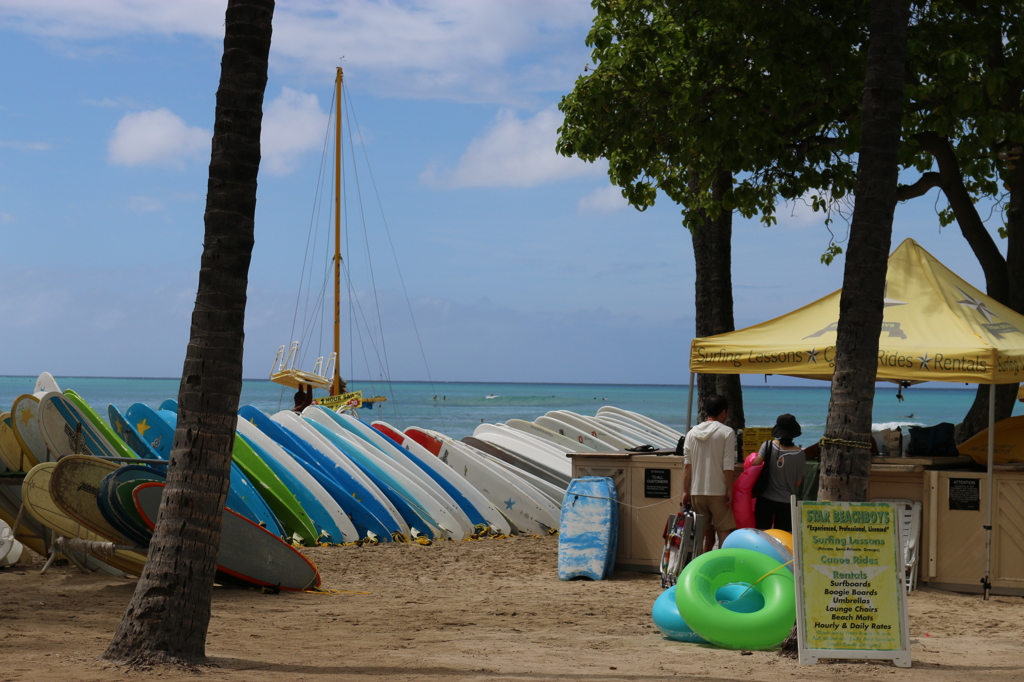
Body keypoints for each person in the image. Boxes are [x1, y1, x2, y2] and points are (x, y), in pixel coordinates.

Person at [682, 394, 737, 552]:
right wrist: (729, 489)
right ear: (723, 413)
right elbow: (728, 466)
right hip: (718, 490)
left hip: (697, 491)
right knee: (724, 530)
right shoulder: (727, 432)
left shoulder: (692, 433)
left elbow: (687, 465)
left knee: (703, 531)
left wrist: (686, 491)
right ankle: (722, 563)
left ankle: (701, 563)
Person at [751, 413, 806, 532]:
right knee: (782, 539)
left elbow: (755, 464)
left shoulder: (768, 445)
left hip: (765, 499)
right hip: (786, 502)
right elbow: (797, 483)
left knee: (762, 534)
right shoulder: (800, 454)